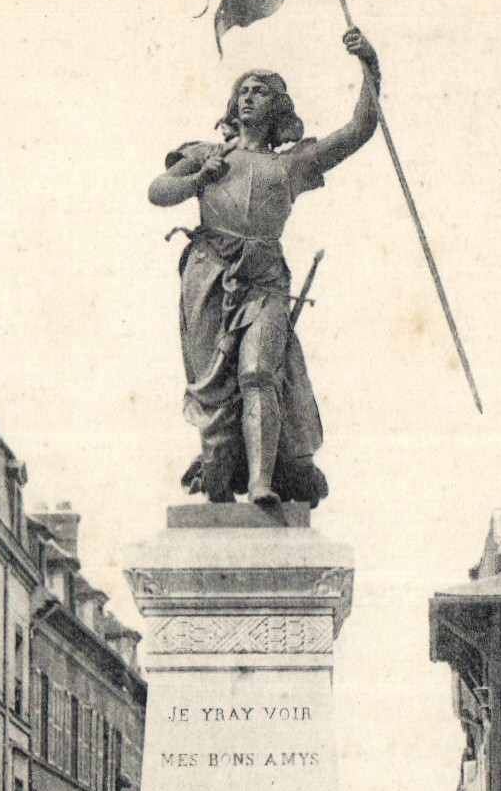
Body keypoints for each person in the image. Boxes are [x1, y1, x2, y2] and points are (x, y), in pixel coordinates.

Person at [149, 28, 380, 506]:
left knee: (259, 372)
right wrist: (197, 179)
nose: (249, 98)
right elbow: (157, 191)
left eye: (261, 92)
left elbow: (357, 130)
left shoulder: (292, 165)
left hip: (265, 276)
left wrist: (370, 68)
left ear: (278, 107)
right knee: (211, 387)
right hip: (208, 273)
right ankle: (217, 481)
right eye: (244, 91)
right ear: (233, 104)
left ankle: (260, 483)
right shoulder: (206, 154)